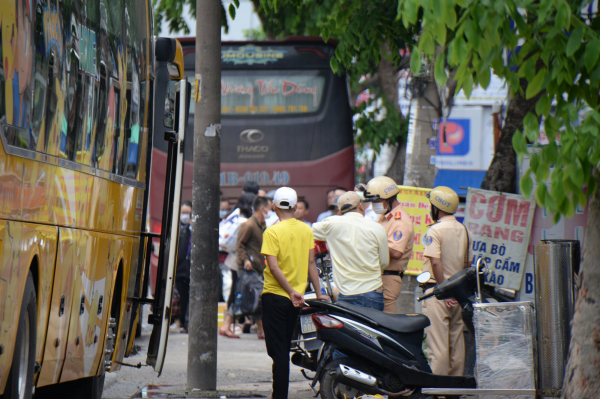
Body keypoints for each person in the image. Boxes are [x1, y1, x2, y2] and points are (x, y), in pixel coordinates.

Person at [261, 187, 329, 399]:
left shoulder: (272, 231)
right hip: (295, 300)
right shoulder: (306, 230)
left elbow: (273, 267)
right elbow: (311, 262)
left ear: (274, 206)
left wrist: (289, 291)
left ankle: (279, 395)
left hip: (275, 296)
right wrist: (319, 292)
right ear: (294, 206)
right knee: (282, 348)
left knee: (278, 351)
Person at [421, 186, 472, 376]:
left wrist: (444, 290)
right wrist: (454, 292)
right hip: (458, 294)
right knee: (456, 341)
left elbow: (435, 261)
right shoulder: (465, 230)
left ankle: (438, 392)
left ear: (437, 207)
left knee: (438, 344)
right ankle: (454, 389)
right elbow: (467, 264)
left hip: (438, 293)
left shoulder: (435, 231)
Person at [312, 192, 389, 310]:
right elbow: (384, 262)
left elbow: (305, 231)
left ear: (340, 210)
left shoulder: (331, 225)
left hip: (346, 293)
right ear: (360, 206)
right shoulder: (377, 228)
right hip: (373, 292)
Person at [220, 196, 270, 339]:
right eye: (269, 208)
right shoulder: (248, 225)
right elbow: (239, 245)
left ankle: (261, 330)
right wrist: (246, 260)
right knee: (241, 298)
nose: (270, 211)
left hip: (257, 268)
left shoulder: (260, 225)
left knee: (257, 298)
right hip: (248, 268)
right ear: (262, 208)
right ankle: (225, 326)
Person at [363, 176, 414, 314]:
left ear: (389, 198)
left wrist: (370, 243)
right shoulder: (387, 216)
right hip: (379, 277)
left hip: (388, 279)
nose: (375, 205)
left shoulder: (400, 221)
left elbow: (396, 252)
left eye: (377, 201)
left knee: (386, 325)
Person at [219, 193, 255, 308]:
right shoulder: (245, 221)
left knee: (236, 288)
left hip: (233, 258)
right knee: (239, 289)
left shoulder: (236, 216)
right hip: (240, 259)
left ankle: (234, 319)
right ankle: (235, 319)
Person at [175, 200, 192, 333]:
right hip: (180, 269)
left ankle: (187, 322)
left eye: (188, 213)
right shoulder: (176, 229)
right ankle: (179, 321)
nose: (185, 216)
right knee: (181, 297)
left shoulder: (193, 229)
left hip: (190, 269)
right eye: (183, 213)